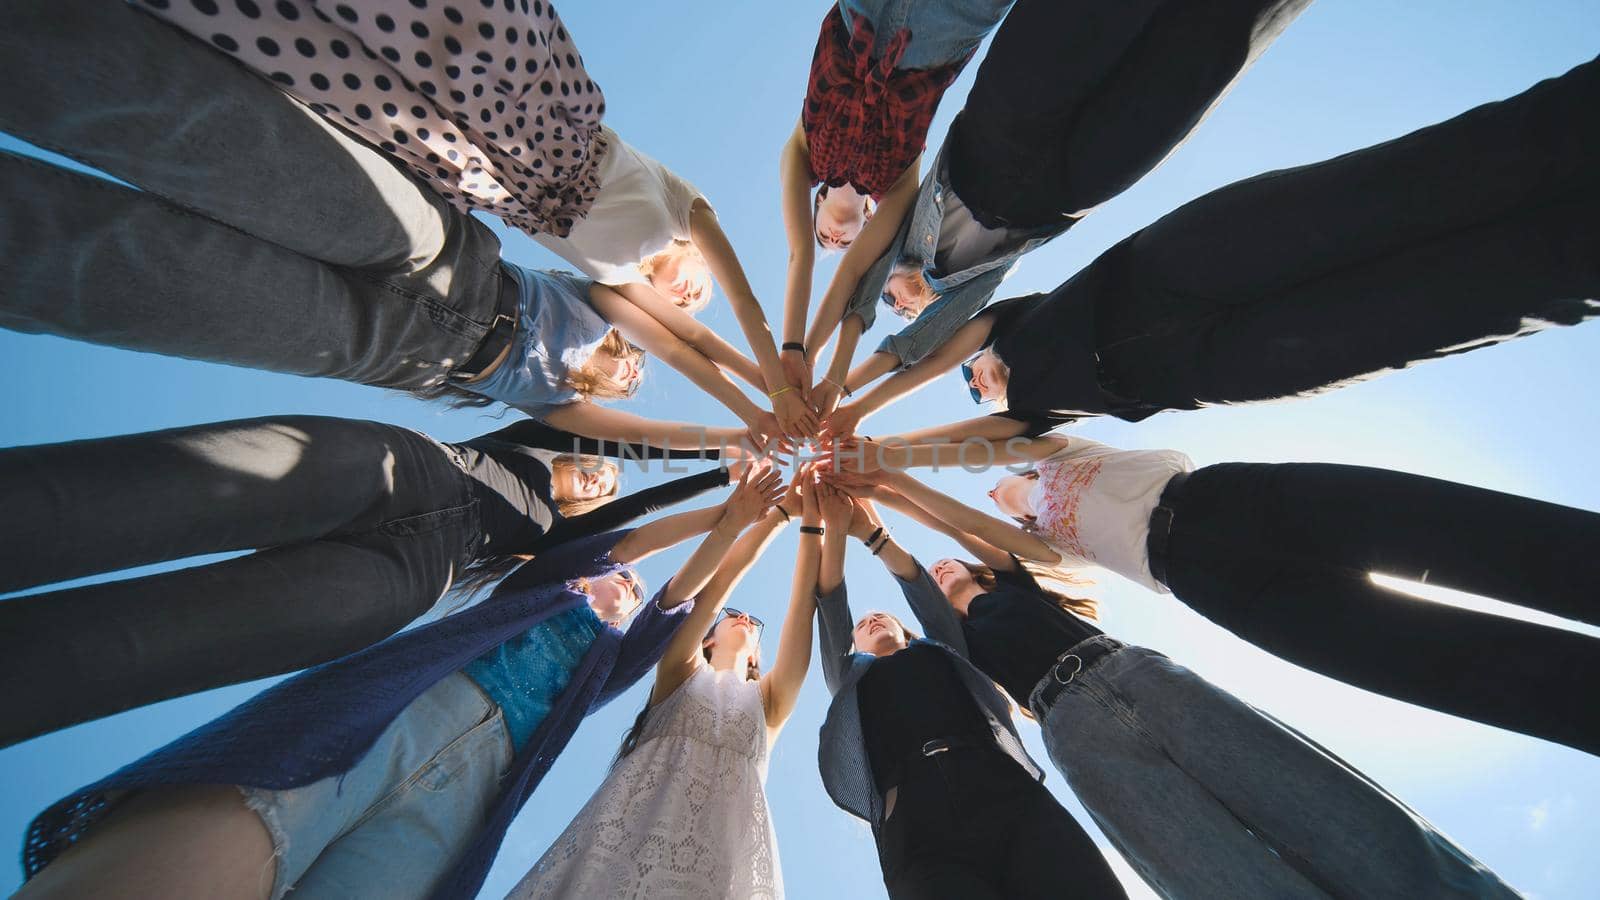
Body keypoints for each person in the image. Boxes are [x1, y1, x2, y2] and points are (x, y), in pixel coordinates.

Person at [0, 0, 790, 451]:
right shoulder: (619, 290)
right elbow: (692, 343)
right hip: (458, 258)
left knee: (159, 281)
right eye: (696, 290)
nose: (684, 303)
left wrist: (735, 438)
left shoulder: (559, 401)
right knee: (219, 135)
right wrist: (770, 375)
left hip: (405, 350)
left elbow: (636, 431)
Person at [16, 466, 788, 900]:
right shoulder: (541, 589)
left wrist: (744, 533)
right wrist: (727, 506)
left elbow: (685, 598)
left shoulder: (616, 663)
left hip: (465, 801)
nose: (628, 583)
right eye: (615, 575)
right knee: (233, 832)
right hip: (392, 718)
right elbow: (628, 541)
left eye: (632, 587)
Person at [823, 54, 1600, 442]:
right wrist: (854, 453)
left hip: (1171, 265)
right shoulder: (1028, 414)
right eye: (976, 392)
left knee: (1399, 189)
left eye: (968, 379)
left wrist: (853, 395)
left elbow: (947, 338)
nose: (977, 383)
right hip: (1207, 366)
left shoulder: (1010, 328)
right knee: (1425, 315)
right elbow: (948, 445)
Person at [829, 476, 1520, 898]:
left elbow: (977, 534)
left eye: (955, 563)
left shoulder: (1024, 587)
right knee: (1217, 876)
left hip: (1133, 672)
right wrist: (877, 533)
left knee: (1337, 821)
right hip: (1072, 727)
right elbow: (917, 593)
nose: (946, 566)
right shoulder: (954, 652)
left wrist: (895, 490)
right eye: (938, 571)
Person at [0, 415, 756, 747]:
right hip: (420, 474)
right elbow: (608, 437)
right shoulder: (522, 446)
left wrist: (721, 485)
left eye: (600, 482)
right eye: (594, 466)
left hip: (419, 574)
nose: (595, 475)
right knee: (159, 493)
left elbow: (642, 511)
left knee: (177, 638)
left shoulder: (554, 539)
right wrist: (718, 450)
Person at [802, 0, 1310, 423]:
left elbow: (859, 291)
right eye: (908, 312)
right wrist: (858, 395)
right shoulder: (969, 293)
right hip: (1066, 192)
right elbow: (914, 346)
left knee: (1082, 18)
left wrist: (832, 379)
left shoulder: (901, 227)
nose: (901, 304)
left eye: (892, 299)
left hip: (992, 137)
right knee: (1202, 57)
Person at [512, 467, 823, 897]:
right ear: (708, 638)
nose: (744, 619)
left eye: (754, 623)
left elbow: (803, 606)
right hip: (629, 832)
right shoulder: (681, 672)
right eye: (733, 617)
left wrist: (814, 525)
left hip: (721, 853)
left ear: (756, 655)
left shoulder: (768, 703)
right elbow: (714, 590)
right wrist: (779, 515)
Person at [811, 484, 1126, 896]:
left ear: (904, 630)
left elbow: (924, 595)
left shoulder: (942, 647)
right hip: (914, 818)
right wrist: (834, 531)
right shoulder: (849, 677)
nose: (872, 620)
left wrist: (873, 535)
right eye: (863, 624)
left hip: (1002, 785)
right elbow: (831, 607)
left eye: (882, 617)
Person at [775, 0, 1014, 404]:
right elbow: (852, 274)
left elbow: (800, 254)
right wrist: (817, 361)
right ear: (867, 223)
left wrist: (794, 348)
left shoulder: (802, 152)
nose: (832, 241)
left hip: (859, 18)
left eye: (825, 237)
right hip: (943, 35)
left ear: (816, 204)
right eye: (842, 242)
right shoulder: (898, 188)